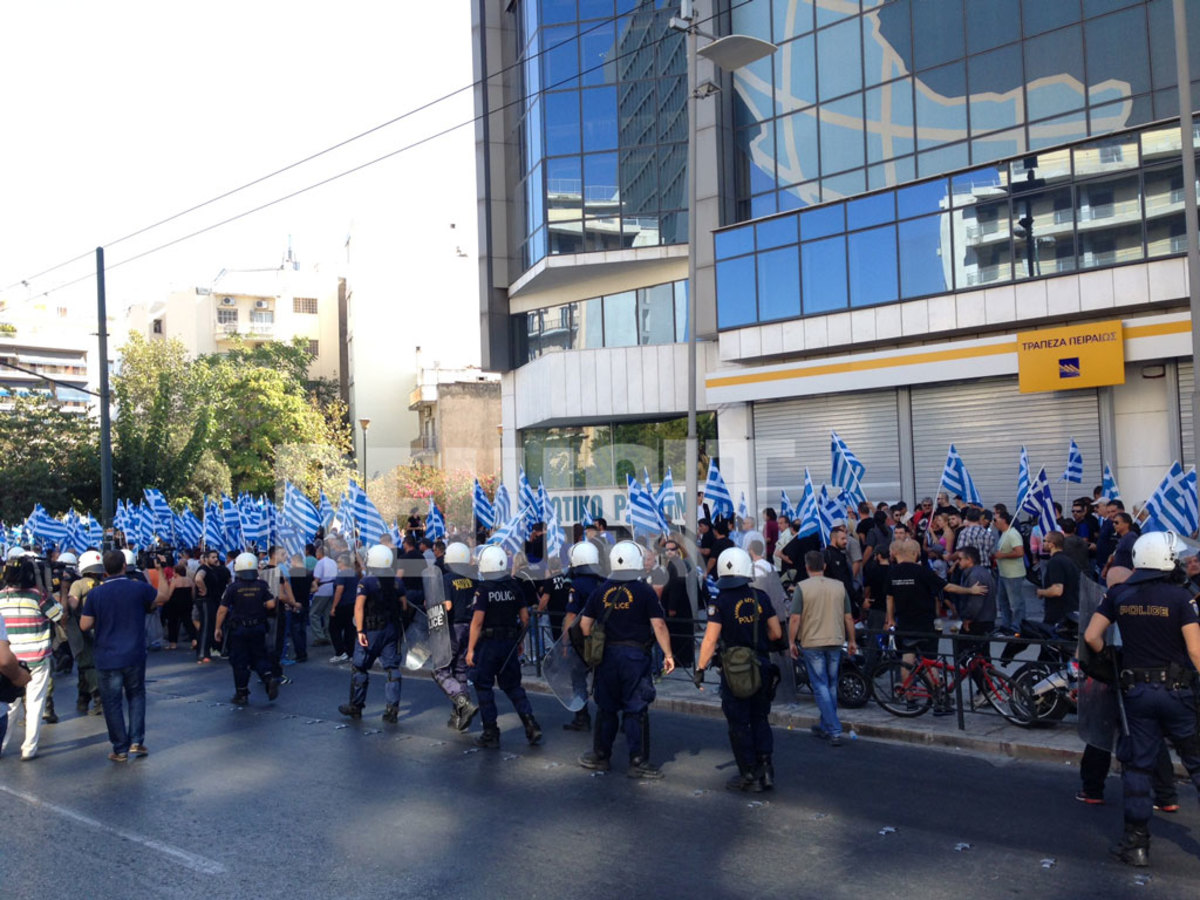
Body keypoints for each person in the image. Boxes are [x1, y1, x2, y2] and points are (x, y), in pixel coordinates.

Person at [1082, 531, 1200, 867]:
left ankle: (1136, 845)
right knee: (1196, 761)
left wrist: (1112, 659)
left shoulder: (1119, 594)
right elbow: (1195, 650)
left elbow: (1092, 636)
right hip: (1178, 693)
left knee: (1138, 768)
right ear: (1165, 560)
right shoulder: (1181, 598)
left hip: (1136, 692)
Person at [577, 541, 676, 779]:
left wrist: (596, 645)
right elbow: (659, 625)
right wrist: (669, 655)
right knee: (635, 709)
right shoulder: (644, 591)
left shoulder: (600, 591)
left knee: (607, 708)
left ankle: (601, 756)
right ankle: (638, 761)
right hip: (634, 656)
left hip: (607, 656)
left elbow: (584, 625)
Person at [695, 547, 783, 791]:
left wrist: (700, 668)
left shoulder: (719, 601)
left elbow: (711, 639)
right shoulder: (760, 597)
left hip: (735, 671)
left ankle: (748, 774)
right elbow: (776, 632)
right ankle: (766, 771)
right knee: (760, 718)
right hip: (761, 666)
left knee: (739, 723)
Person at [79, 551, 170, 761]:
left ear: (105, 570)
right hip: (134, 653)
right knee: (136, 695)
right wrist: (160, 572)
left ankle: (120, 748)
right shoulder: (138, 587)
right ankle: (137, 741)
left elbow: (85, 624)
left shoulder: (96, 594)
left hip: (107, 655)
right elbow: (163, 596)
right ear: (124, 567)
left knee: (112, 703)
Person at [465, 545, 542, 749]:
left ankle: (491, 732)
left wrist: (471, 649)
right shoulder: (514, 586)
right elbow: (525, 618)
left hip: (488, 644)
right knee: (513, 686)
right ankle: (530, 724)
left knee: (483, 686)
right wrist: (519, 642)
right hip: (509, 642)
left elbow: (477, 622)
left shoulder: (484, 589)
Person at [0, 549, 65, 760]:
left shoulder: (1, 597)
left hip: (10, 659)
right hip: (37, 657)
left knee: (10, 705)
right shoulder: (38, 596)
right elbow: (59, 615)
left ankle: (2, 744)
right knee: (35, 702)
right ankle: (29, 748)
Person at [788, 551, 857, 746]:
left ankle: (833, 728)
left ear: (807, 566)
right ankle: (827, 724)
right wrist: (852, 640)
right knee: (831, 684)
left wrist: (791, 641)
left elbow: (795, 618)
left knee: (820, 685)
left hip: (812, 641)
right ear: (824, 566)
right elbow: (848, 617)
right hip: (835, 639)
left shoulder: (802, 588)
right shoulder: (839, 587)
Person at [340, 545, 405, 723]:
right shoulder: (397, 582)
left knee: (360, 667)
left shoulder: (366, 583)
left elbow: (359, 607)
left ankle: (356, 706)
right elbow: (404, 606)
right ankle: (392, 710)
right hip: (391, 630)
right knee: (392, 669)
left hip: (371, 630)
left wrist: (360, 630)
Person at [214, 553, 279, 706]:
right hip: (258, 627)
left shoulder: (233, 588)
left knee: (240, 661)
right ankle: (268, 678)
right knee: (259, 656)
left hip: (239, 629)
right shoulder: (261, 585)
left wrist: (217, 628)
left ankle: (241, 693)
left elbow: (223, 609)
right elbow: (271, 605)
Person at [561, 541, 606, 733]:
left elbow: (571, 616)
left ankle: (582, 716)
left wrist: (564, 642)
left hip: (581, 640)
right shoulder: (604, 582)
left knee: (578, 678)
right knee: (603, 679)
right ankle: (608, 716)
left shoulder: (577, 585)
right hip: (602, 638)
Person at [434, 542, 479, 731]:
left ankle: (463, 704)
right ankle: (460, 717)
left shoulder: (447, 578)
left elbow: (447, 606)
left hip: (453, 628)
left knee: (440, 670)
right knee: (461, 671)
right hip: (470, 627)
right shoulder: (473, 578)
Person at [66, 550, 104, 715]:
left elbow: (73, 606)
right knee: (91, 664)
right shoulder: (105, 584)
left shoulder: (78, 584)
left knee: (87, 664)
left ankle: (96, 699)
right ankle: (83, 698)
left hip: (83, 629)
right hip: (102, 629)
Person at [194, 548, 231, 663]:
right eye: (212, 557)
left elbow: (229, 582)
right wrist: (203, 589)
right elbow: (198, 578)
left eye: (216, 557)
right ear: (206, 559)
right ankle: (202, 653)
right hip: (206, 601)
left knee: (214, 625)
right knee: (206, 626)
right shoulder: (204, 569)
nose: (215, 559)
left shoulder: (217, 569)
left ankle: (214, 649)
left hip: (215, 601)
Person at [993, 511, 1027, 631]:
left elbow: (1020, 552)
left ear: (1003, 520)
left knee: (1015, 603)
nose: (994, 523)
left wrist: (1003, 555)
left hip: (1013, 574)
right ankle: (1006, 625)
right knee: (1003, 602)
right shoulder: (1004, 533)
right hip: (1004, 573)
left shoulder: (1012, 534)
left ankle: (1019, 626)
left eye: (995, 520)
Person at [1036, 532, 1080, 625]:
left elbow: (1057, 590)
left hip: (1059, 614)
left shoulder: (1055, 562)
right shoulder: (1067, 560)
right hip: (1069, 611)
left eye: (1044, 541)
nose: (1042, 543)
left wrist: (1041, 592)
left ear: (1051, 544)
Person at [328, 552, 359, 664]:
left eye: (338, 561)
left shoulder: (342, 575)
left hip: (342, 605)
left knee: (333, 629)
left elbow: (339, 590)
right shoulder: (354, 574)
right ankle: (350, 653)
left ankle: (340, 652)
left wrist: (333, 607)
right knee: (349, 629)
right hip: (352, 604)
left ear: (342, 563)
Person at [309, 543, 337, 648]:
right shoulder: (333, 562)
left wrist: (312, 588)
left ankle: (320, 637)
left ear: (320, 553)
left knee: (314, 614)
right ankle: (328, 635)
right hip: (332, 589)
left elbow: (317, 579)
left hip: (322, 590)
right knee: (327, 614)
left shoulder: (320, 563)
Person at [163, 561, 194, 650]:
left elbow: (169, 594)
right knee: (188, 622)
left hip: (174, 604)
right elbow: (193, 593)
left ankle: (173, 643)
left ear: (176, 572)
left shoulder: (175, 581)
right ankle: (194, 640)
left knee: (173, 624)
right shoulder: (189, 580)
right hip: (187, 604)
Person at [287, 553, 312, 663]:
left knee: (295, 630)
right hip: (305, 602)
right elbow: (313, 587)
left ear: (294, 561)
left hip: (296, 603)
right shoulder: (309, 572)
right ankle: (303, 652)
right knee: (302, 629)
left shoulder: (292, 573)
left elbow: (289, 588)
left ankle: (300, 653)